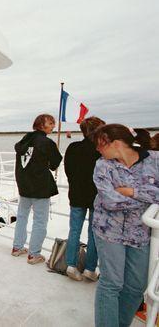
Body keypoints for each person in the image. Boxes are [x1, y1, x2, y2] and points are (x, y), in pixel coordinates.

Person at [91, 124, 158, 327]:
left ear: (117, 143)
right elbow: (110, 202)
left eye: (100, 144)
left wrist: (131, 192)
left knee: (136, 287)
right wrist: (146, 195)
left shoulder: (154, 160)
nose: (97, 149)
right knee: (111, 283)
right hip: (107, 231)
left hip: (140, 233)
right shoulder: (102, 165)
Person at [12, 114, 62, 264]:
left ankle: (17, 247)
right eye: (51, 123)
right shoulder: (47, 143)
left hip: (24, 185)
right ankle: (34, 254)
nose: (54, 125)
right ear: (41, 124)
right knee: (40, 221)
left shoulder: (25, 140)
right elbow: (54, 164)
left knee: (21, 217)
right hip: (40, 187)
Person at [63, 116, 105, 281]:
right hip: (97, 197)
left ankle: (71, 265)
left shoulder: (73, 147)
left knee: (74, 231)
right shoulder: (101, 150)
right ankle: (89, 268)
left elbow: (68, 170)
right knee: (94, 234)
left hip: (76, 194)